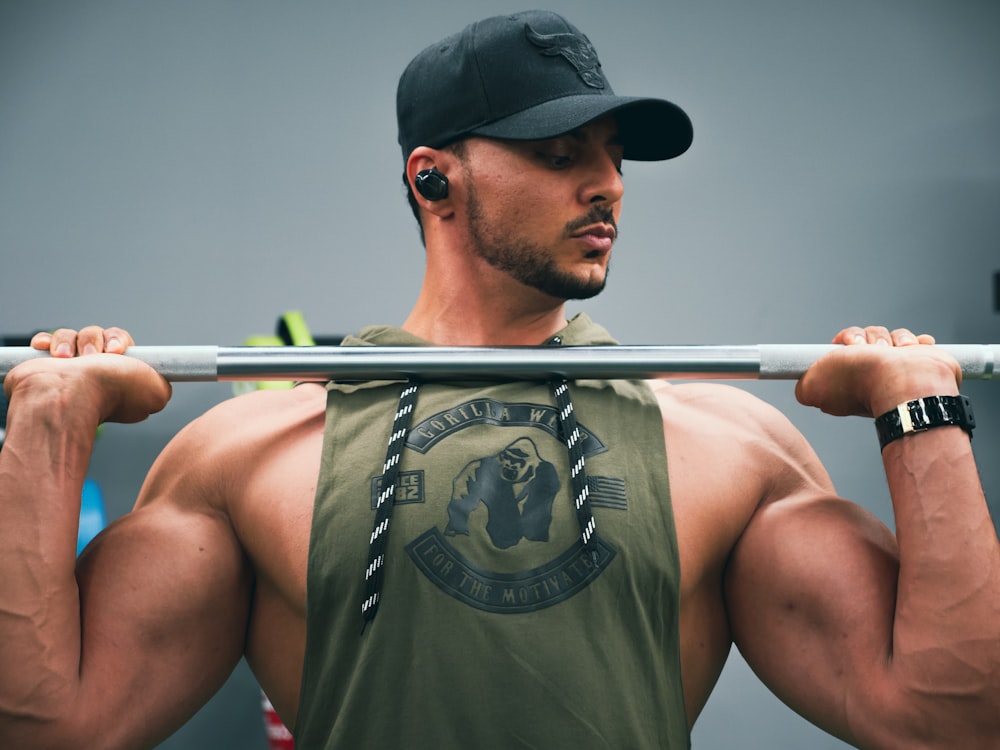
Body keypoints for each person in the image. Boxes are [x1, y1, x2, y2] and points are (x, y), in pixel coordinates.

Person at [1, 9, 997, 749]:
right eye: (559, 153)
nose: (603, 183)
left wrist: (921, 414)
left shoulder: (727, 448)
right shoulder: (247, 457)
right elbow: (51, 727)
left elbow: (950, 719)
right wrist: (48, 422)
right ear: (433, 178)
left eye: (610, 157)